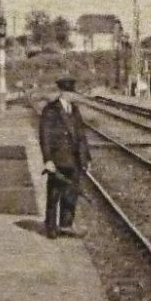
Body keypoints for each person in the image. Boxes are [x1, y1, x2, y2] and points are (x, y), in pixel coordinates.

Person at [38, 77, 91, 238]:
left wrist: (86, 158)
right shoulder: (51, 110)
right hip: (58, 159)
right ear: (65, 93)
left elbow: (81, 135)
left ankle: (66, 225)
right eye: (72, 93)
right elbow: (45, 136)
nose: (75, 96)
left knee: (71, 193)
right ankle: (51, 227)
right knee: (54, 194)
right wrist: (48, 160)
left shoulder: (74, 110)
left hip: (75, 159)